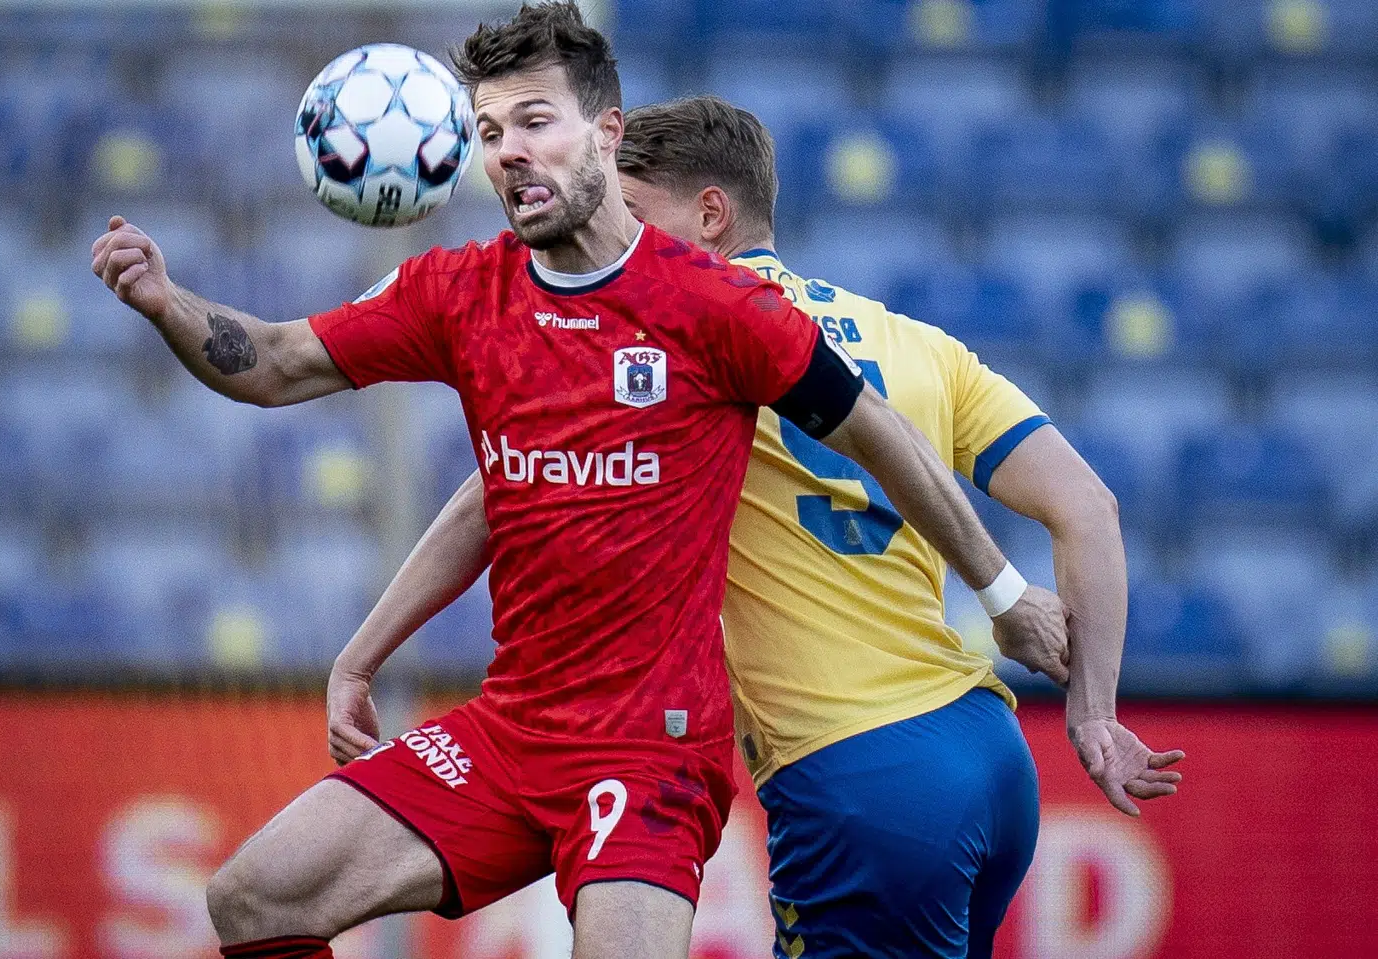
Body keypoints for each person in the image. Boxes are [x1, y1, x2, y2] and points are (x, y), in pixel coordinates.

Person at [91, 5, 1065, 957]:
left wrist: (1004, 592)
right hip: (512, 728)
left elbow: (882, 435)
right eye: (487, 130)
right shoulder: (458, 291)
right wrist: (166, 302)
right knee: (255, 896)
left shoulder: (716, 307)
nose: (508, 149)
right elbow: (271, 361)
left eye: (534, 121)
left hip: (652, 750)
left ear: (604, 133)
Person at [332, 96, 1186, 959]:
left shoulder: (678, 334)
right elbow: (1088, 508)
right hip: (988, 755)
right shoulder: (918, 344)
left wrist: (364, 650)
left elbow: (497, 494)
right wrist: (1093, 712)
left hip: (859, 777)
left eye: (634, 213)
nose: (614, 237)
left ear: (710, 216)